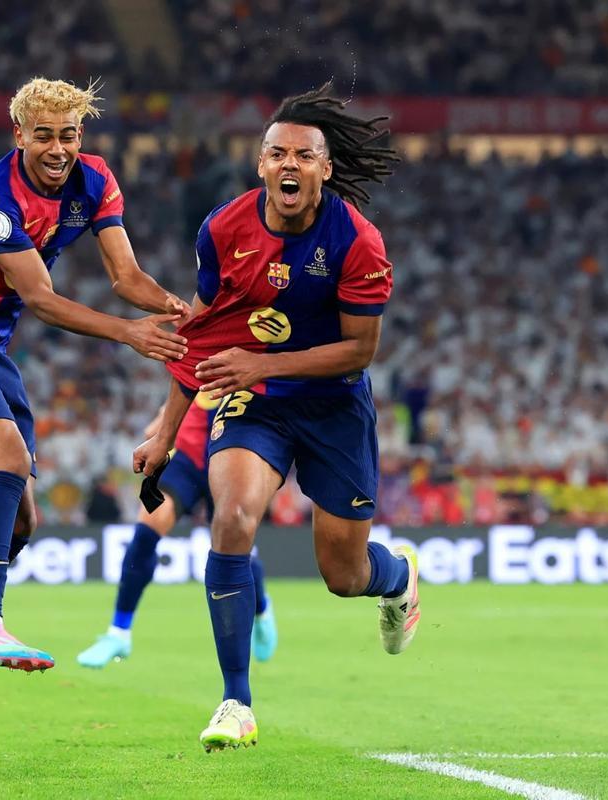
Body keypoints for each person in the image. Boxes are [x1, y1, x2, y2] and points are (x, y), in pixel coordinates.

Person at [0, 77, 190, 736]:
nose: (57, 149)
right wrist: (129, 334)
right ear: (18, 134)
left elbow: (126, 277)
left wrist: (176, 308)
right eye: (43, 135)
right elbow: (41, 299)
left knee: (19, 526)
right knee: (8, 460)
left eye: (68, 135)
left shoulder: (94, 180)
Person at [133, 83, 419, 752]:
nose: (289, 164)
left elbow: (360, 350)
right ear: (260, 164)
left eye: (304, 155)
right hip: (255, 400)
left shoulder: (358, 241)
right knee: (231, 519)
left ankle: (399, 576)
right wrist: (165, 432)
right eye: (277, 153)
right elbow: (203, 332)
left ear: (325, 168)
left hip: (333, 404)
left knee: (343, 576)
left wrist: (262, 362)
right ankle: (236, 701)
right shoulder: (222, 229)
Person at [76, 393, 277, 668]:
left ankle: (261, 608)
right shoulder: (198, 367)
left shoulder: (256, 368)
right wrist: (163, 420)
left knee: (235, 547)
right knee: (146, 531)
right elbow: (183, 388)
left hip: (232, 455)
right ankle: (118, 632)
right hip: (187, 459)